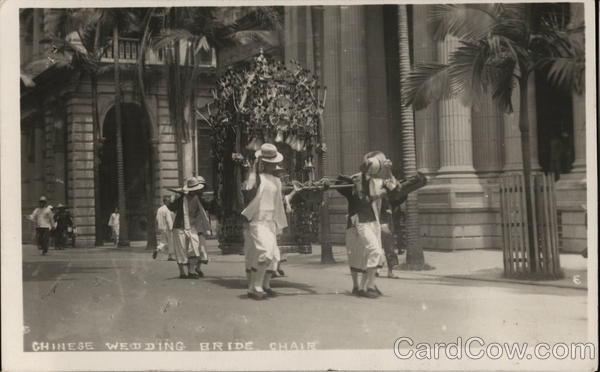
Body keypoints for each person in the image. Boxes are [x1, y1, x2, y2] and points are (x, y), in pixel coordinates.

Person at [335, 151, 398, 298]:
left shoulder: (377, 182)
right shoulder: (356, 180)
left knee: (370, 254)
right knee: (358, 254)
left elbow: (393, 187)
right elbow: (354, 186)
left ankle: (366, 286)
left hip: (372, 222)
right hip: (357, 222)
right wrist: (365, 169)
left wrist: (388, 170)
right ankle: (360, 286)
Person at [241, 143, 290, 300]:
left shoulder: (276, 181)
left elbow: (278, 204)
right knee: (264, 253)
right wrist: (254, 169)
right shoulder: (256, 179)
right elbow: (249, 194)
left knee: (274, 256)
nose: (272, 165)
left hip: (271, 222)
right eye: (269, 163)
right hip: (257, 221)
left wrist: (279, 224)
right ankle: (255, 287)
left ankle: (264, 285)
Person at [168, 176, 213, 279]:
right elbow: (171, 207)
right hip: (179, 227)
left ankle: (191, 271)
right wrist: (175, 197)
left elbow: (209, 206)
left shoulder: (198, 199)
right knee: (181, 249)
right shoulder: (181, 199)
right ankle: (182, 272)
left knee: (194, 248)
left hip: (192, 226)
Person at [153, 195, 176, 261]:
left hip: (161, 228)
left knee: (163, 241)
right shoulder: (167, 209)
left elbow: (157, 218)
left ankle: (158, 249)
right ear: (165, 201)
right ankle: (170, 256)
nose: (169, 202)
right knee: (170, 241)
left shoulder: (159, 209)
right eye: (168, 201)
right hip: (167, 228)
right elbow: (169, 219)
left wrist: (158, 225)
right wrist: (171, 227)